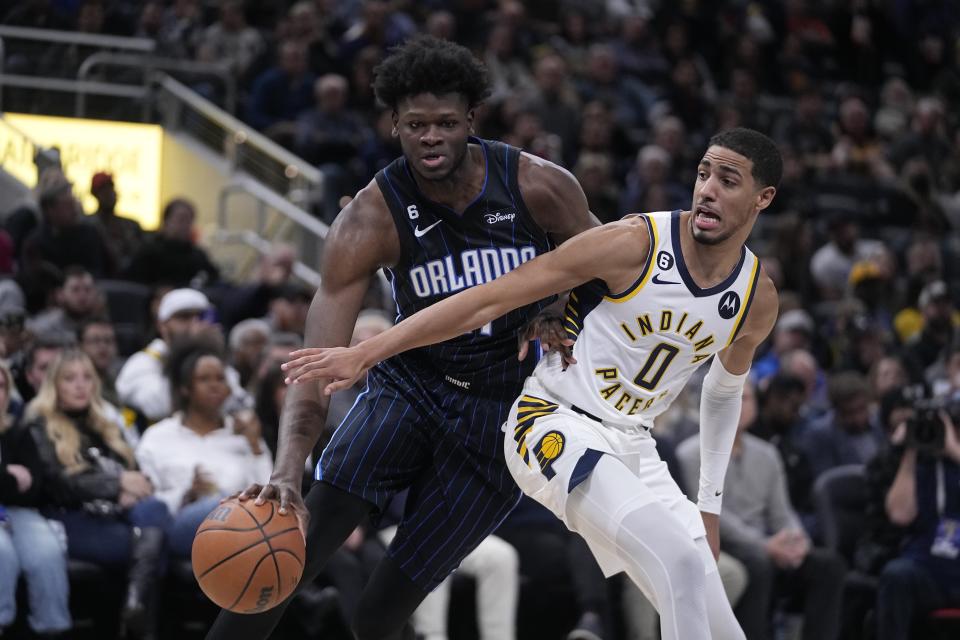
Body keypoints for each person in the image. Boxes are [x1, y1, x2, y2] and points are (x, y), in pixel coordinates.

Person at [285, 127, 784, 640]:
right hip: (552, 422)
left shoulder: (756, 298)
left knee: (716, 610)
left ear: (762, 198)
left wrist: (710, 509)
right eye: (704, 174)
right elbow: (488, 299)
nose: (707, 189)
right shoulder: (634, 242)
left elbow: (723, 392)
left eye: (728, 180)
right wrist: (367, 351)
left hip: (635, 443)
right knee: (677, 561)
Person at [205, 35, 597, 640]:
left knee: (381, 612)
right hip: (412, 384)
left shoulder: (539, 186)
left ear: (472, 119)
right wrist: (286, 471)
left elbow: (615, 265)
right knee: (286, 553)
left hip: (504, 410)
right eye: (416, 124)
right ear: (393, 124)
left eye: (445, 122)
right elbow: (313, 366)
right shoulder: (369, 218)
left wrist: (558, 308)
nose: (431, 137)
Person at [677, 379, 846, 640]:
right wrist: (765, 545)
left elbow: (782, 512)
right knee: (758, 565)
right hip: (722, 545)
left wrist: (796, 539)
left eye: (746, 398)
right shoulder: (688, 454)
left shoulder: (767, 453)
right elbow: (711, 518)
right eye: (732, 398)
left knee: (828, 566)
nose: (740, 406)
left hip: (770, 543)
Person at [24, 350, 170, 639]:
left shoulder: (105, 424)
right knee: (154, 547)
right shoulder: (39, 425)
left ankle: (134, 605)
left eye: (87, 377)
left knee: (155, 510)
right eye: (70, 379)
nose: (80, 385)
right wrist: (117, 486)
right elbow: (58, 484)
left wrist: (134, 491)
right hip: (70, 519)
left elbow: (136, 472)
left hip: (118, 515)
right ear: (54, 385)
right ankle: (136, 614)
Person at [135, 341, 272, 558]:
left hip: (245, 526)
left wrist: (255, 446)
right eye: (204, 379)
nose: (215, 385)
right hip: (182, 527)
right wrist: (187, 493)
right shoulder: (158, 437)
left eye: (220, 378)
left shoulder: (243, 436)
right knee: (220, 506)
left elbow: (269, 492)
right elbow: (147, 503)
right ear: (185, 388)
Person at [0, 361, 72, 637]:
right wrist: (8, 476)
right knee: (1, 552)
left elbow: (33, 488)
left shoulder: (17, 431)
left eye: (1, 386)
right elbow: (15, 483)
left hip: (19, 511)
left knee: (47, 553)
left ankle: (52, 629)